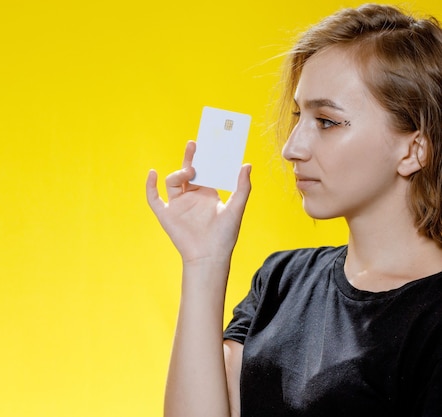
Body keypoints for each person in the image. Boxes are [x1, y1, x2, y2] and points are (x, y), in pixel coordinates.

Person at [146, 3, 442, 417]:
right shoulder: (282, 281)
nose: (291, 149)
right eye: (297, 116)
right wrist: (204, 262)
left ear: (414, 149)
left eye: (326, 121)